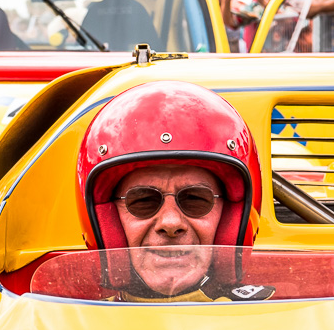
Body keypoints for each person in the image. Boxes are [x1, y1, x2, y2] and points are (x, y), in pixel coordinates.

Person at [75, 80, 268, 302]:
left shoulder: (274, 324)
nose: (170, 223)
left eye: (196, 199)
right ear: (107, 218)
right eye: (143, 201)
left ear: (229, 215)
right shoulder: (66, 328)